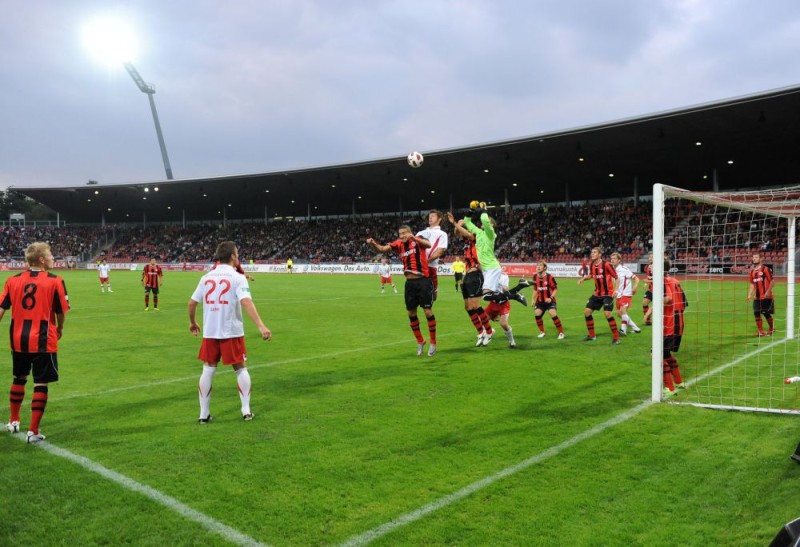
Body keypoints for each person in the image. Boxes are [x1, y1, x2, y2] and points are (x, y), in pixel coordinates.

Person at [188, 241, 272, 423]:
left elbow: (192, 303)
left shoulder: (206, 277)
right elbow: (246, 301)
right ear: (233, 256)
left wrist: (193, 322)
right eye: (237, 253)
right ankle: (246, 410)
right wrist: (260, 325)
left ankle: (203, 414)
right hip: (231, 331)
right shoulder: (237, 277)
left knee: (208, 370)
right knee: (240, 368)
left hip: (210, 332)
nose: (238, 256)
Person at [1, 242, 70, 443]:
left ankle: (13, 420)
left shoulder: (12, 280)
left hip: (18, 339)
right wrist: (60, 328)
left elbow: (1, 309)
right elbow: (60, 312)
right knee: (40, 382)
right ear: (41, 260)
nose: (52, 258)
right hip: (43, 339)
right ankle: (33, 431)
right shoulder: (55, 280)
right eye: (50, 255)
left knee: (19, 378)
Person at [366, 225, 437, 356]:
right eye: (400, 234)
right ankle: (420, 341)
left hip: (423, 280)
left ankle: (433, 342)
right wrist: (373, 243)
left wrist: (414, 238)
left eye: (404, 233)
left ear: (410, 232)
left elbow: (428, 244)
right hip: (409, 283)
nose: (402, 236)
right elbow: (382, 249)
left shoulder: (418, 239)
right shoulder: (399, 244)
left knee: (427, 311)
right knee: (411, 313)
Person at [462, 202, 526, 306]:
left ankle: (516, 296)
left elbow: (484, 220)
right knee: (497, 298)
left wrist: (483, 209)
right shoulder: (478, 233)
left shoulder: (491, 234)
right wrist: (471, 210)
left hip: (492, 268)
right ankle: (517, 293)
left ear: (491, 225)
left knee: (486, 296)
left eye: (488, 222)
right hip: (487, 269)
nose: (483, 223)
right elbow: (467, 222)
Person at [446, 211, 495, 347]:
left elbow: (467, 233)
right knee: (468, 307)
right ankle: (480, 332)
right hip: (467, 274)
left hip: (475, 273)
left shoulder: (480, 237)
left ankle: (489, 331)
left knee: (475, 305)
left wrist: (455, 223)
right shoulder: (468, 240)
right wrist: (458, 225)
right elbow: (458, 233)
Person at [578, 247, 621, 344]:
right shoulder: (592, 264)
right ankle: (592, 336)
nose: (592, 254)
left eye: (594, 252)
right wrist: (583, 279)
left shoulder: (606, 264)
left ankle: (616, 338)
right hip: (597, 294)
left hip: (608, 294)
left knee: (607, 314)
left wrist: (616, 290)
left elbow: (616, 278)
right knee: (587, 312)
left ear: (600, 254)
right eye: (591, 252)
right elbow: (591, 275)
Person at [662, 258, 687, 397]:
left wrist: (653, 308)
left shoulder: (664, 281)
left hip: (669, 324)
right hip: (679, 322)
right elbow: (685, 303)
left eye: (652, 264)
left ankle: (669, 388)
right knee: (666, 354)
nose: (650, 267)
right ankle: (678, 381)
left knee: (656, 354)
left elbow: (668, 299)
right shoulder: (676, 281)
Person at [416, 209, 449, 301]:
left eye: (433, 216)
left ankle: (434, 291)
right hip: (418, 267)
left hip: (430, 266)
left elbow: (439, 252)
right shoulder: (420, 233)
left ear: (439, 219)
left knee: (431, 298)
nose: (430, 218)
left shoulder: (442, 234)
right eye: (429, 216)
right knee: (416, 296)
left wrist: (426, 262)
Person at [609, 252, 641, 336]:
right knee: (620, 314)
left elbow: (637, 279)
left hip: (626, 293)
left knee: (622, 311)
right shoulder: (612, 271)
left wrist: (635, 287)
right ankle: (635, 328)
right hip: (618, 294)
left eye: (614, 259)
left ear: (619, 260)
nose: (612, 260)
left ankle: (623, 330)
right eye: (611, 259)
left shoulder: (624, 269)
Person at [483, 270, 517, 348]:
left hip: (503, 304)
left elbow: (506, 288)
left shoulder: (504, 276)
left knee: (503, 324)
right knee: (482, 319)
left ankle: (512, 341)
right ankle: (490, 331)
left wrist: (505, 288)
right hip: (493, 304)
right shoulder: (488, 275)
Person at [532, 261, 565, 339]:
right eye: (537, 265)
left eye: (540, 265)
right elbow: (535, 289)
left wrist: (551, 298)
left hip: (550, 300)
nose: (538, 267)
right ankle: (542, 332)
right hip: (540, 301)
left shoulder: (549, 277)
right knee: (537, 313)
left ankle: (561, 333)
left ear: (544, 268)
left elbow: (555, 289)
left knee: (552, 313)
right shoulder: (535, 277)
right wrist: (533, 300)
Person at [746, 251, 775, 336]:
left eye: (756, 257)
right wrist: (749, 294)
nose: (754, 259)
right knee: (756, 313)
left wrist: (768, 292)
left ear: (761, 259)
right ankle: (760, 331)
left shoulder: (765, 269)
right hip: (757, 297)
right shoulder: (752, 271)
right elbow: (752, 284)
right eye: (753, 257)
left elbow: (772, 281)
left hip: (766, 296)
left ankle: (771, 328)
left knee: (765, 313)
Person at [642, 252, 654, 326]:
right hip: (651, 289)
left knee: (656, 306)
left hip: (659, 290)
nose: (650, 258)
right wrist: (646, 283)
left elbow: (660, 279)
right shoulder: (646, 267)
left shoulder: (658, 267)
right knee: (644, 303)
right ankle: (648, 321)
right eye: (649, 257)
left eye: (652, 257)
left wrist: (647, 281)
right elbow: (648, 277)